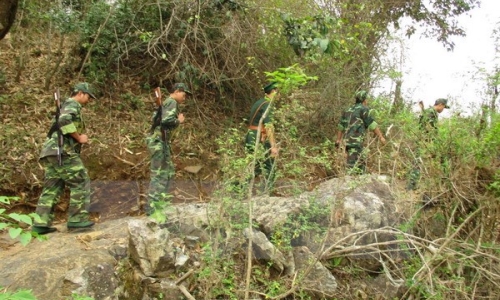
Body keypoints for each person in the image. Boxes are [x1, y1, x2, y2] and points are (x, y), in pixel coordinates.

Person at [32, 82, 97, 235]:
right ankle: (77, 220)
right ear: (80, 93)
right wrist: (79, 137)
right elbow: (64, 121)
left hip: (51, 151)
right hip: (61, 151)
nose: (89, 100)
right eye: (88, 96)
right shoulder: (72, 104)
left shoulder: (66, 105)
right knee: (80, 180)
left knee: (53, 186)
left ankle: (40, 224)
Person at [146, 82, 191, 215]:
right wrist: (179, 121)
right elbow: (166, 120)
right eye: (184, 94)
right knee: (159, 173)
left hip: (161, 141)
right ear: (177, 91)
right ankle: (153, 206)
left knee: (168, 172)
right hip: (158, 141)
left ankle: (160, 202)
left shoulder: (166, 102)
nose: (185, 97)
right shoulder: (171, 102)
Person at [335, 90, 386, 174]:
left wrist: (338, 140)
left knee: (361, 163)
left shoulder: (347, 110)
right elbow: (372, 124)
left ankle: (360, 181)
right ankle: (349, 183)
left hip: (346, 142)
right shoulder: (364, 109)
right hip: (356, 143)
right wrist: (381, 137)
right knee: (352, 167)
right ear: (364, 100)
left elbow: (341, 126)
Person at [406, 98, 450, 191]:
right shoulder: (431, 113)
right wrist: (431, 142)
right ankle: (411, 186)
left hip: (424, 141)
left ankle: (413, 184)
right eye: (444, 107)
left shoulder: (429, 112)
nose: (443, 110)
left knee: (419, 162)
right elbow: (428, 128)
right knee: (418, 162)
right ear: (440, 105)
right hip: (424, 141)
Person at [244, 82, 279, 193]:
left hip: (251, 136)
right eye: (277, 91)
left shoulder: (260, 102)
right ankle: (267, 192)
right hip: (257, 137)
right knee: (269, 165)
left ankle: (241, 190)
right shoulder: (267, 104)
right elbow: (268, 127)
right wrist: (273, 146)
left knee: (253, 166)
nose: (279, 95)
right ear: (273, 91)